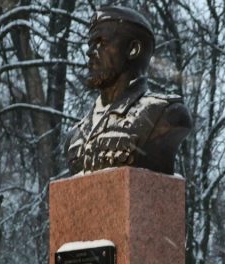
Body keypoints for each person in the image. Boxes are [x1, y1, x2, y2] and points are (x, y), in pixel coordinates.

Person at [66, 5, 192, 175]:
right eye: (90, 44)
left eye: (101, 42)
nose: (89, 52)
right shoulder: (75, 136)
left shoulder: (165, 115)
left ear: (133, 49)